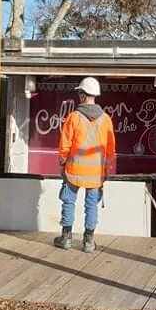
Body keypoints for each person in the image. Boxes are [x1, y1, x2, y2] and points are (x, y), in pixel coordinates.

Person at [55, 76, 116, 253]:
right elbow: (110, 148)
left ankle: (66, 238)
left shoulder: (73, 117)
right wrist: (107, 168)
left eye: (79, 93)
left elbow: (65, 143)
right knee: (91, 205)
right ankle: (88, 242)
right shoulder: (105, 120)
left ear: (82, 95)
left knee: (68, 202)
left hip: (74, 169)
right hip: (96, 172)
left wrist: (62, 163)